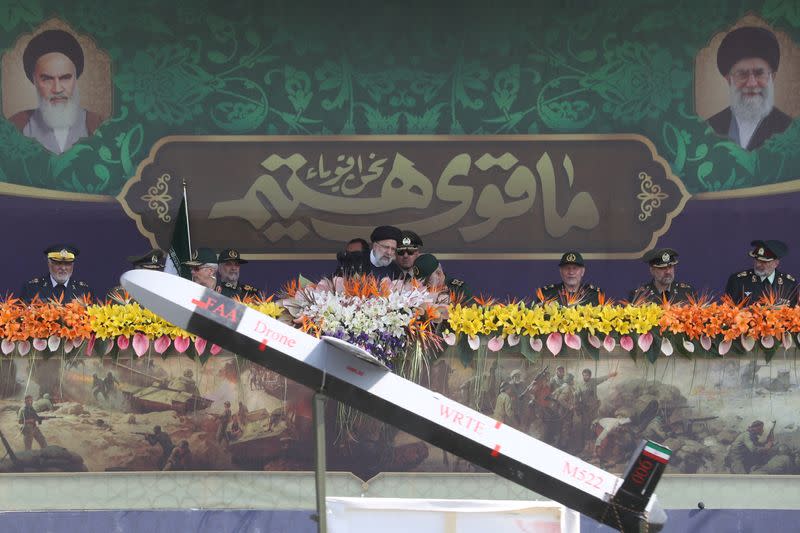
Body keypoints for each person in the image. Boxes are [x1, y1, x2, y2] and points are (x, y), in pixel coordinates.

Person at [10, 29, 102, 154]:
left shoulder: (98, 124)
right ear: (34, 80)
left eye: (65, 78)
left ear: (76, 78)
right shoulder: (15, 126)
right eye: (47, 79)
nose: (57, 89)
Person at [707, 26, 792, 151]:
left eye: (759, 73)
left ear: (772, 77)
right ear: (729, 80)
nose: (752, 83)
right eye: (742, 74)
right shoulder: (713, 125)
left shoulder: (788, 128)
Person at [724, 240, 798, 305]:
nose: (758, 264)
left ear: (776, 263)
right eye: (756, 260)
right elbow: (727, 312)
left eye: (764, 262)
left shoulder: (789, 284)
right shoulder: (738, 281)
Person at [20, 244, 92, 302]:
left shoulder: (84, 290)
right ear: (49, 263)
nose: (63, 268)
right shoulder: (32, 288)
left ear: (73, 265)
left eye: (67, 264)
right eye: (58, 263)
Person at [628, 248, 695, 304]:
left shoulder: (687, 292)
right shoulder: (639, 296)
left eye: (670, 267)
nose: (668, 272)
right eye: (662, 268)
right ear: (652, 270)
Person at [536, 252, 603, 306]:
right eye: (567, 268)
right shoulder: (546, 294)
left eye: (575, 268)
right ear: (561, 271)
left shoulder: (595, 295)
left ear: (582, 271)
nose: (571, 272)